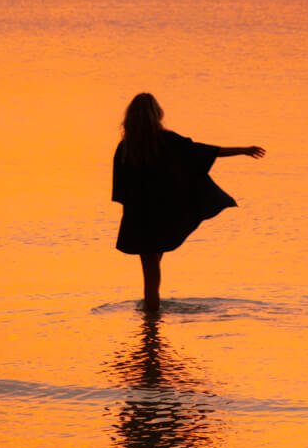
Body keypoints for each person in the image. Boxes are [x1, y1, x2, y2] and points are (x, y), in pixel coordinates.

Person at [112, 92, 265, 310]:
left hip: (138, 217)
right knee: (153, 273)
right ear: (157, 114)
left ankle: (151, 325)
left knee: (150, 274)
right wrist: (242, 150)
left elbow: (121, 190)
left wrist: (131, 214)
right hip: (162, 214)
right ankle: (151, 328)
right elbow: (202, 153)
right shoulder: (167, 140)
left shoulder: (125, 148)